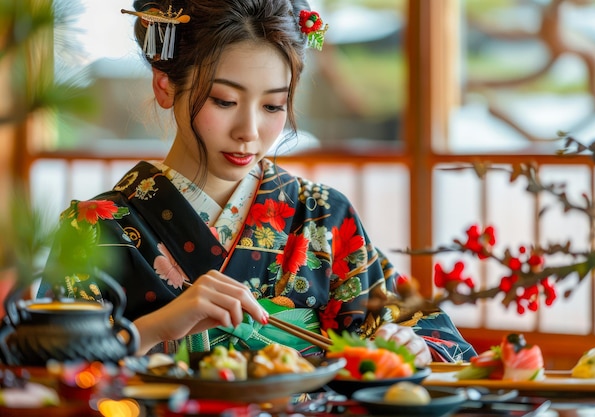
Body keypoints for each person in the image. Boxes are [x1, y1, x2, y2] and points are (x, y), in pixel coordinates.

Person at [38, 0, 476, 365]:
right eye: (224, 101)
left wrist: (410, 345)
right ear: (166, 85)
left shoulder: (322, 215)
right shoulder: (96, 227)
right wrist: (156, 327)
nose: (249, 131)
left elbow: (436, 338)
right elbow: (44, 372)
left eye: (272, 106)